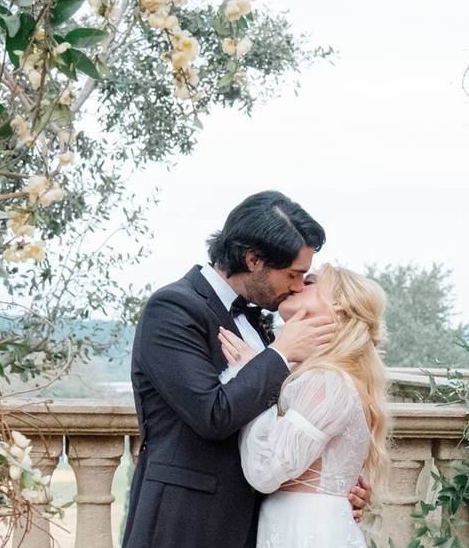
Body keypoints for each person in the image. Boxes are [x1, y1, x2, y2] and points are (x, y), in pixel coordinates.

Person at [122, 191, 372, 548]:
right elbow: (213, 414)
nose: (299, 286)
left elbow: (288, 420)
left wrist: (329, 485)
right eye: (293, 274)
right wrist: (279, 354)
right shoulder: (174, 308)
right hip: (186, 523)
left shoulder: (263, 324)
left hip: (257, 523)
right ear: (253, 259)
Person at [218, 264, 389, 548]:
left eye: (308, 282)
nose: (296, 286)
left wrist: (248, 376)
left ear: (339, 304)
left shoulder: (327, 381)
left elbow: (265, 471)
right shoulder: (340, 377)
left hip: (304, 530)